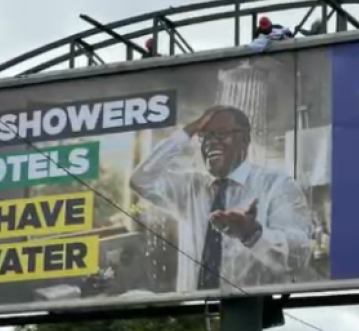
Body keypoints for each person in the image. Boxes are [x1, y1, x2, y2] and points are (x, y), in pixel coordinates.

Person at [129, 106, 313, 292]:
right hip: (194, 314)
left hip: (252, 314)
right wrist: (188, 132)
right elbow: (141, 180)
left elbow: (299, 256)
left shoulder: (277, 185)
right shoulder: (191, 187)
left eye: (221, 133)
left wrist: (253, 234)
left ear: (245, 139)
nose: (210, 142)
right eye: (205, 136)